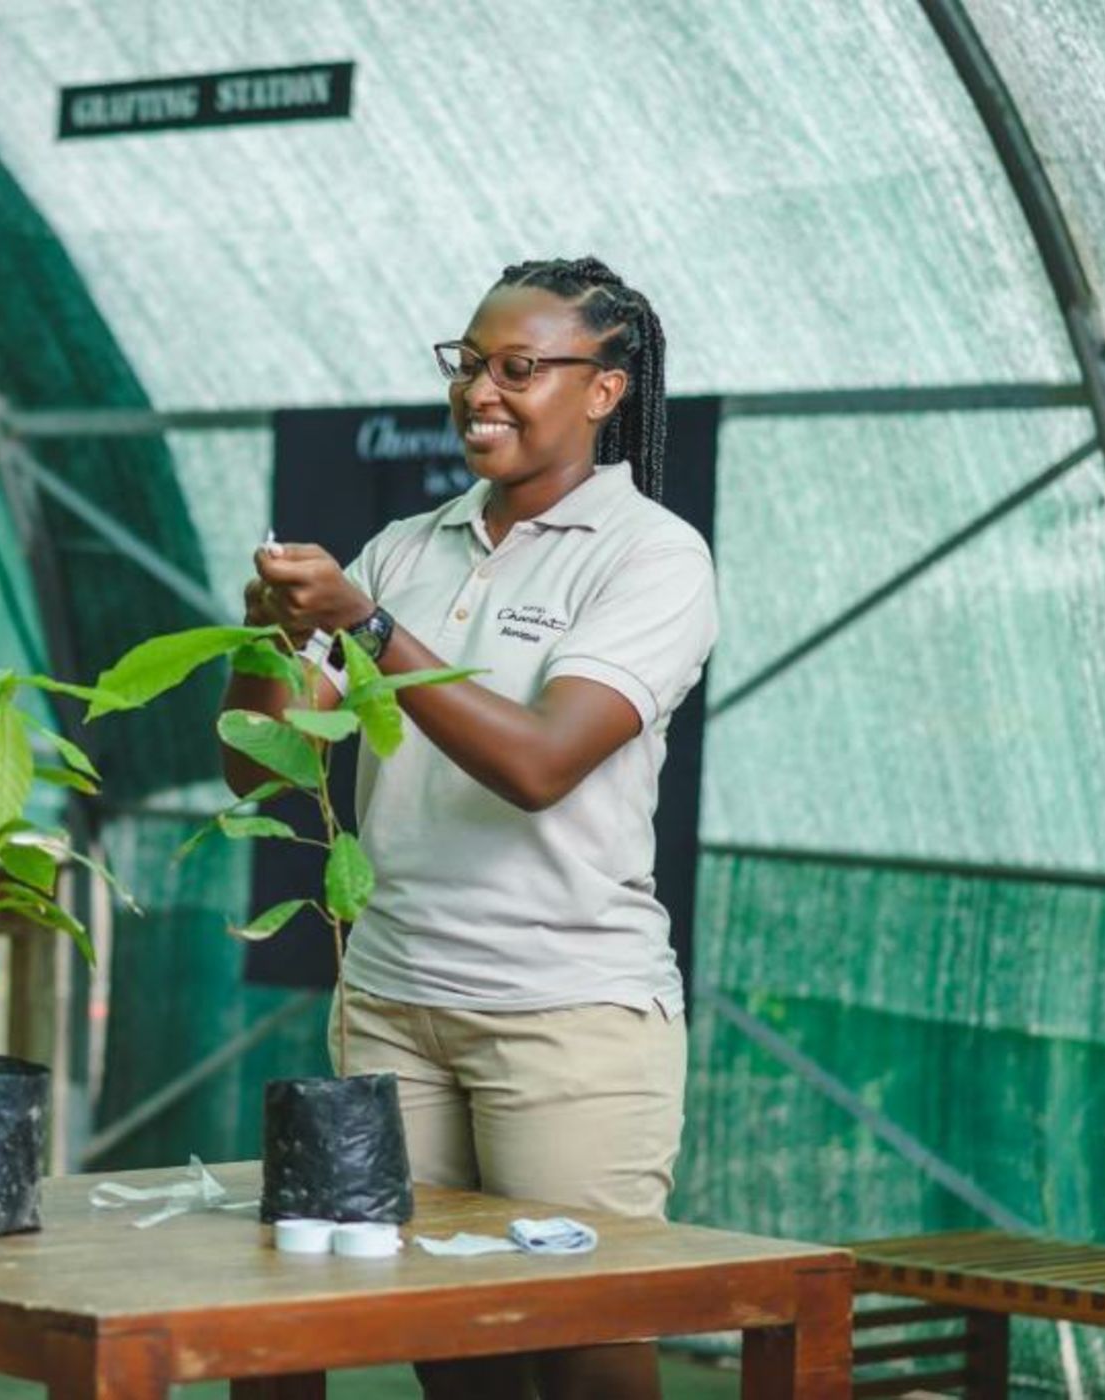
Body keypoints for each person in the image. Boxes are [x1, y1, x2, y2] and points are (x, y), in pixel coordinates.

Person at [229, 257, 717, 1400]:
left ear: (601, 391)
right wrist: (265, 640)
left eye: (516, 369)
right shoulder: (408, 542)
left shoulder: (650, 553)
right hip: (394, 1003)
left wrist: (369, 625)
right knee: (450, 1353)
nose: (477, 393)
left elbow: (538, 763)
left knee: (586, 1341)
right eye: (465, 365)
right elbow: (267, 763)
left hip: (565, 1015)